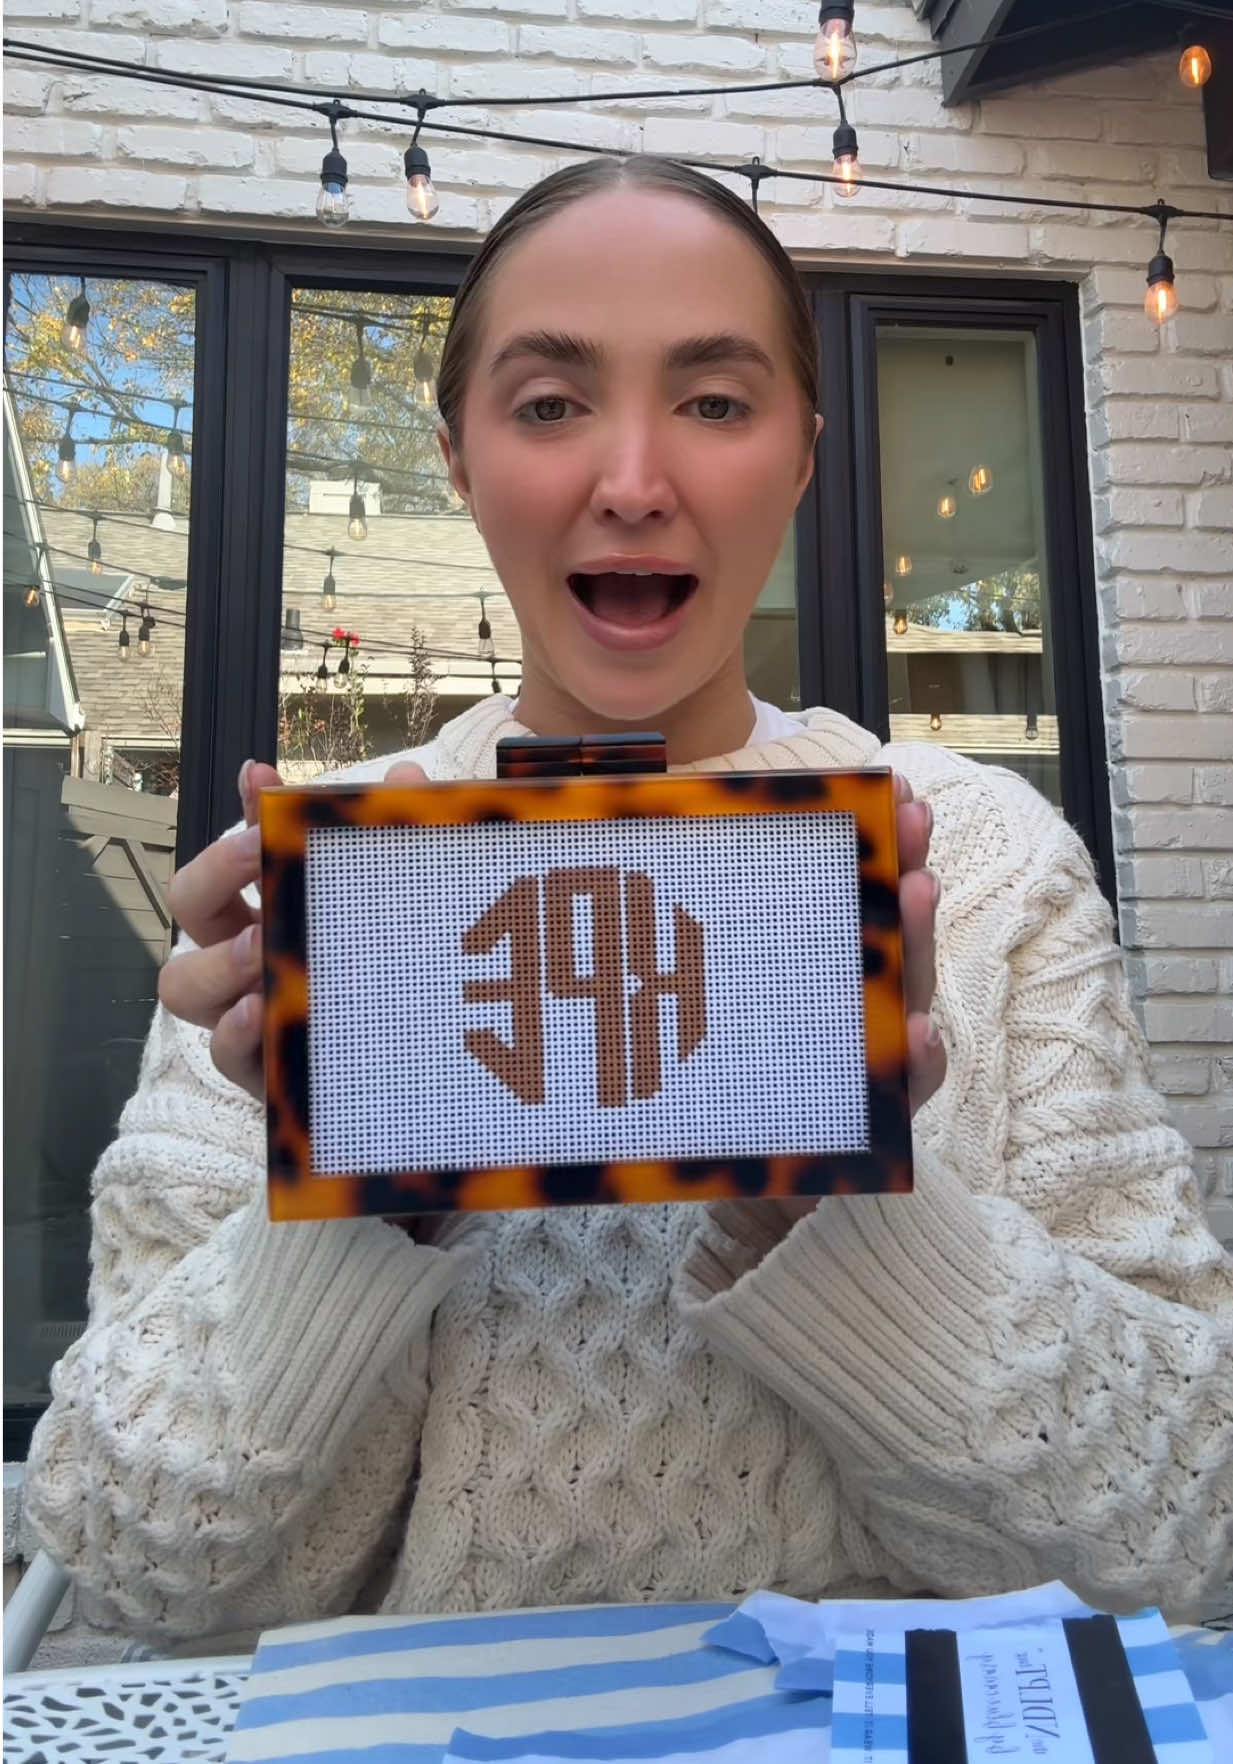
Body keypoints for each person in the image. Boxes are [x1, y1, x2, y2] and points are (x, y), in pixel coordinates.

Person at [25, 157, 1232, 1646]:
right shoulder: (327, 898)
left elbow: (1188, 1535)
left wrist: (840, 1218)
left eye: (715, 403)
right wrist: (356, 1196)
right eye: (548, 405)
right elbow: (140, 1562)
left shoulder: (985, 865)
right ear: (458, 458)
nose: (635, 481)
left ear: (802, 456)